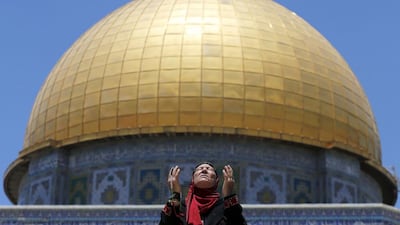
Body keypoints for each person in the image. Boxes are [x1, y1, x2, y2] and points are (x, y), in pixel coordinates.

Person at [159, 162, 247, 225]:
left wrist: (228, 195)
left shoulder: (224, 207)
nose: (204, 170)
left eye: (209, 169)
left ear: (216, 180)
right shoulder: (181, 207)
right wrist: (175, 194)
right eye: (200, 169)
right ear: (192, 179)